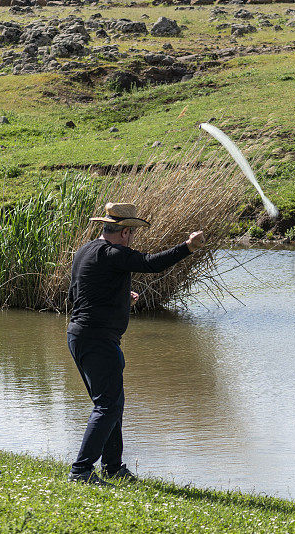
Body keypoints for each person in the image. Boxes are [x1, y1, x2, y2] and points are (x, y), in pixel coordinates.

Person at [66, 202, 205, 485]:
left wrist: (117, 297)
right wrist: (187, 247)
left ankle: (113, 467)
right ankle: (81, 471)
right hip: (98, 339)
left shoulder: (86, 251)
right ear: (126, 232)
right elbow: (150, 264)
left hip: (80, 336)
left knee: (113, 402)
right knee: (107, 405)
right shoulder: (115, 253)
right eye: (132, 234)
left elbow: (75, 294)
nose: (132, 239)